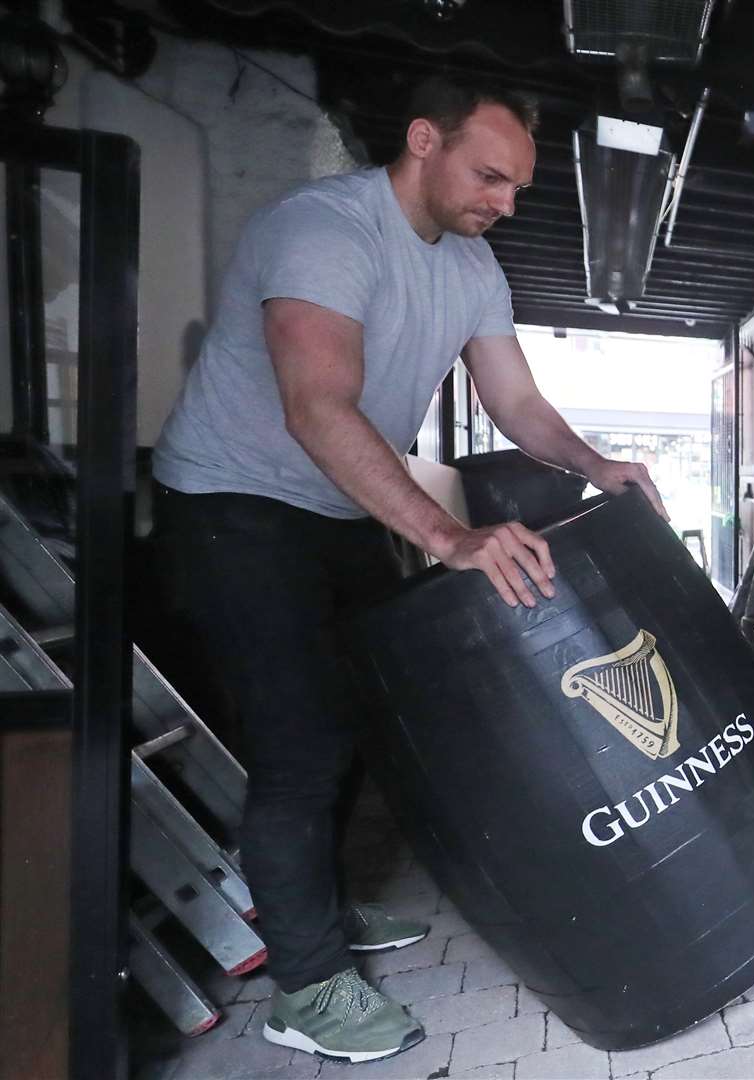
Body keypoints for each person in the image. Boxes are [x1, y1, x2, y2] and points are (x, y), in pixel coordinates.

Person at [150, 75, 665, 1063]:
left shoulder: (472, 267)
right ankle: (307, 986)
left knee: (368, 714)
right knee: (299, 744)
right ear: (423, 140)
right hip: (231, 505)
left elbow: (515, 402)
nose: (503, 203)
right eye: (488, 177)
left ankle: (322, 913)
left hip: (336, 505)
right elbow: (317, 408)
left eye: (516, 187)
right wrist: (450, 537)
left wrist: (596, 464)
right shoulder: (325, 231)